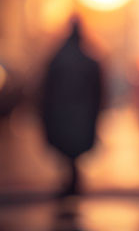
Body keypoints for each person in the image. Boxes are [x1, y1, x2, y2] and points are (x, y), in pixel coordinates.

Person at [39, 16, 105, 197]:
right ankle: (72, 181)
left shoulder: (58, 58)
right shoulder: (89, 59)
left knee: (65, 148)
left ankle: (69, 182)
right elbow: (99, 90)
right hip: (81, 113)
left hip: (62, 113)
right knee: (73, 150)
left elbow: (45, 88)